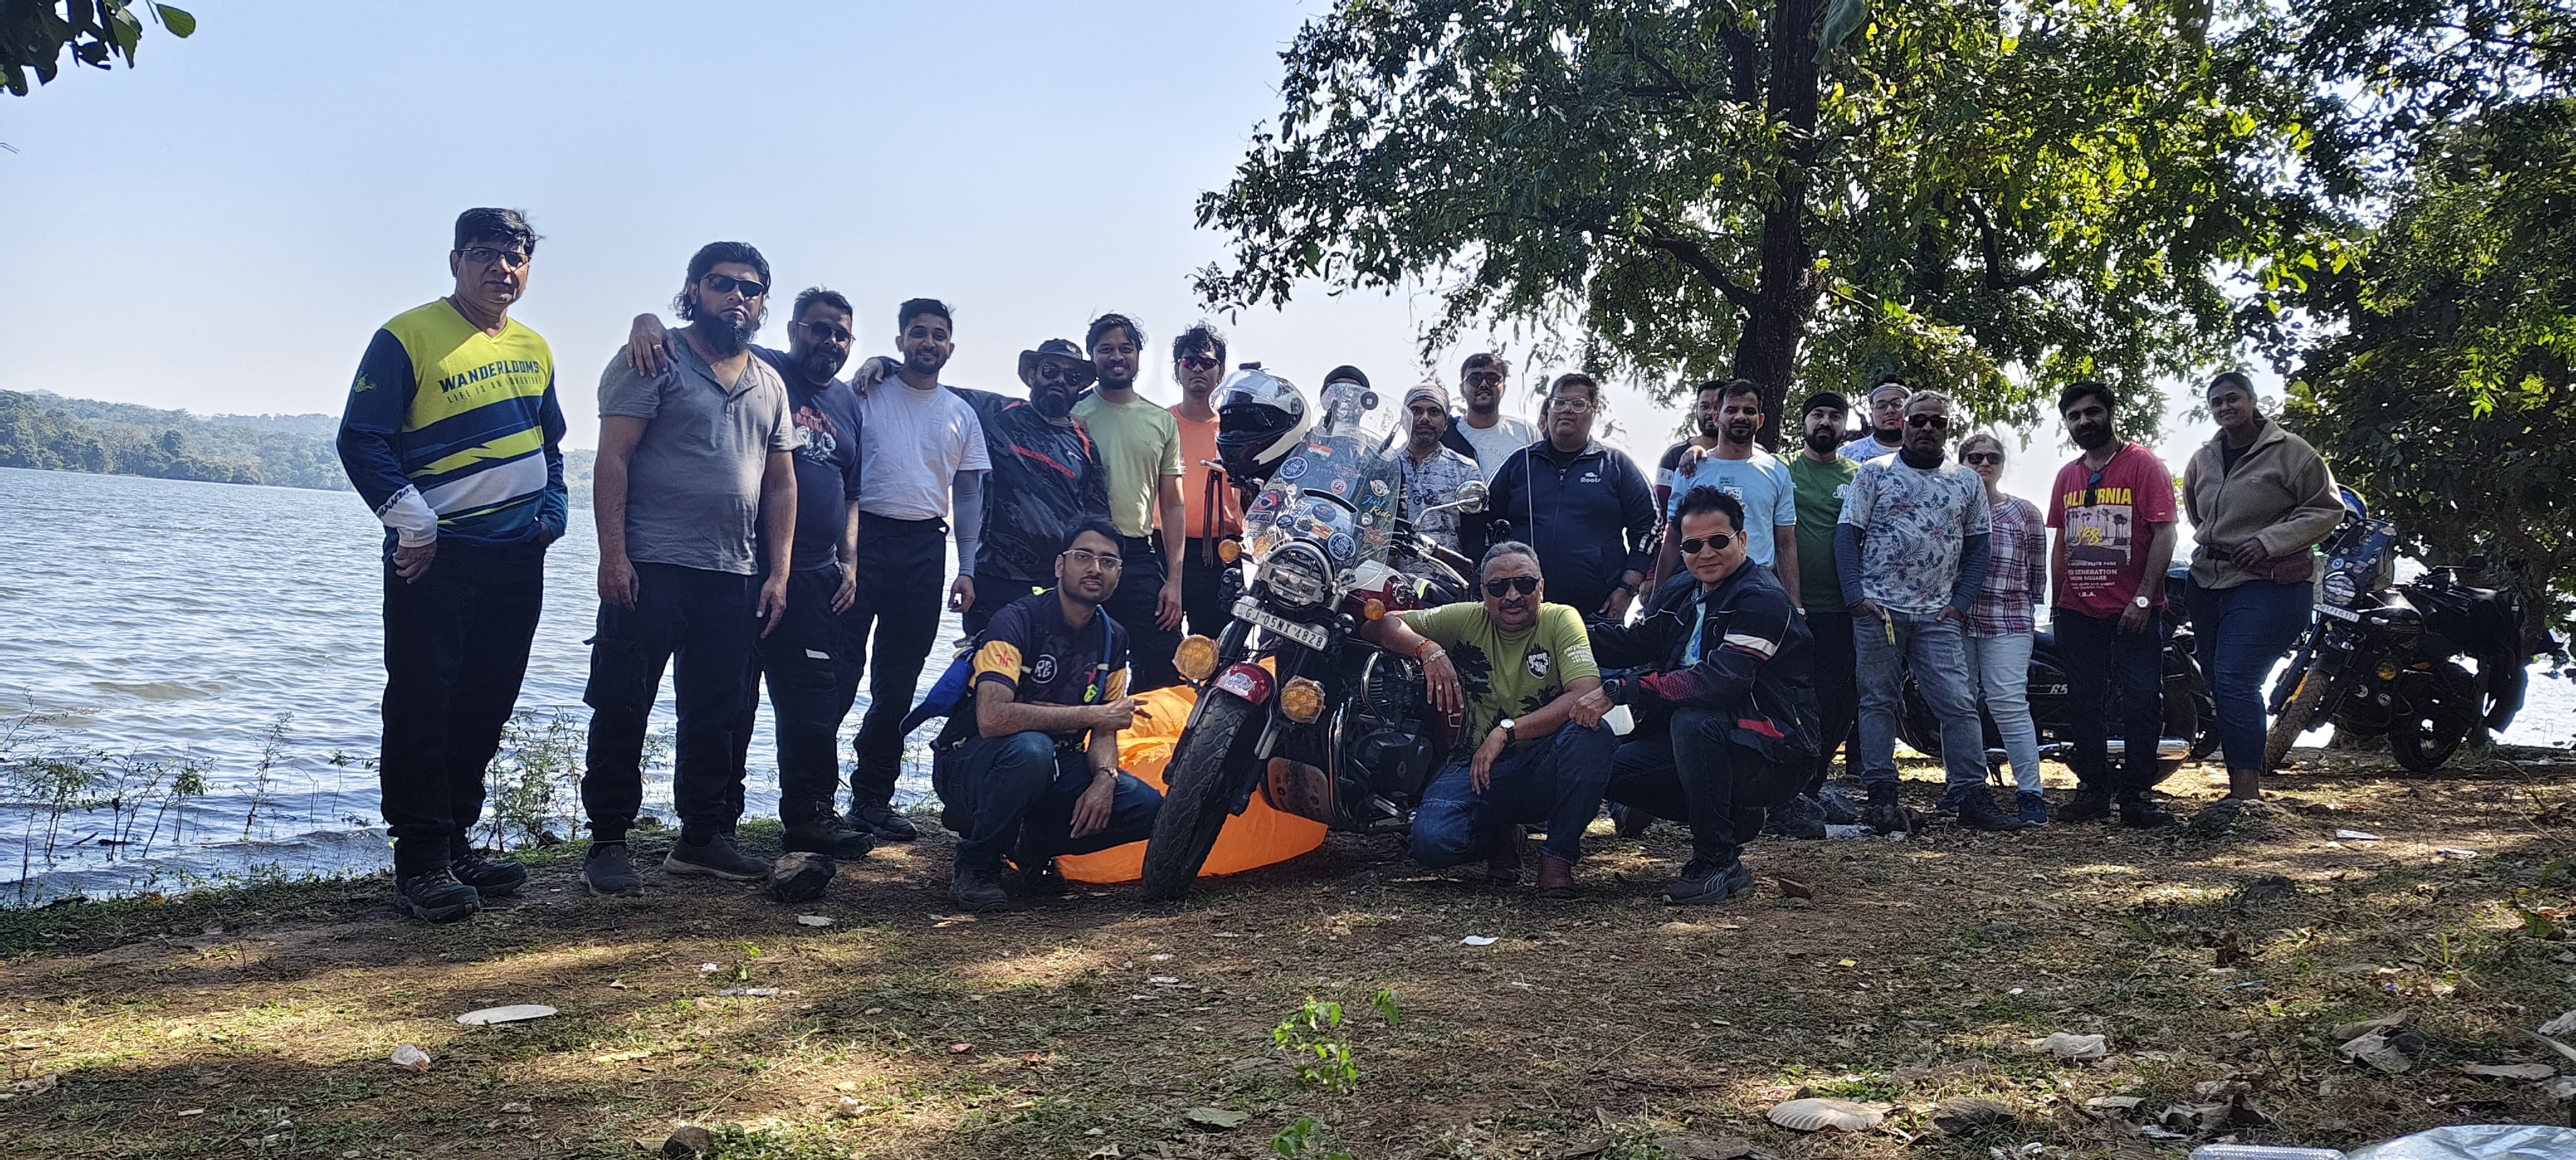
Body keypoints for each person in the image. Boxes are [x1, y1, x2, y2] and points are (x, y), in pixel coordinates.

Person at [337, 208, 565, 922]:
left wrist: (553, 514)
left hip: (516, 556)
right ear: (456, 261)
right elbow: (361, 439)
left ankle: (458, 842)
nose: (502, 267)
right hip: (433, 557)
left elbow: (550, 443)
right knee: (423, 701)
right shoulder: (406, 335)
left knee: (485, 701)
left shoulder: (535, 347)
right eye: (485, 253)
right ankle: (420, 861)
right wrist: (414, 521)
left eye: (515, 256)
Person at [625, 289, 878, 859]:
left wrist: (850, 559)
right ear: (791, 330)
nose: (830, 342)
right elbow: (702, 336)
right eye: (818, 329)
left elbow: (851, 491)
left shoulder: (847, 401)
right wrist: (646, 321)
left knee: (814, 703)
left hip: (814, 577)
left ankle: (811, 816)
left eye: (841, 334)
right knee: (725, 701)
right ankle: (715, 822)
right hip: (741, 569)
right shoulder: (762, 367)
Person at [582, 241, 799, 895]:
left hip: (732, 573)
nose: (737, 296)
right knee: (623, 703)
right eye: (722, 283)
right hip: (649, 565)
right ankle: (608, 841)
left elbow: (782, 485)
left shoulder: (770, 382)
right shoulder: (653, 357)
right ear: (695, 290)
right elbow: (613, 458)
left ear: (762, 303)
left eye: (750, 288)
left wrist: (779, 573)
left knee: (716, 712)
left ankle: (701, 838)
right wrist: (613, 555)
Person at [1583, 489, 1818, 904]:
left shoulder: (1762, 599)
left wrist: (1625, 689)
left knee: (1695, 717)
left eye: (1718, 541)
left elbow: (1720, 682)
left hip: (1776, 752)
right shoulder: (1681, 588)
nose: (1705, 553)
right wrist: (1561, 627)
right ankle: (1737, 818)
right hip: (1706, 740)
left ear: (1742, 541)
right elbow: (1638, 642)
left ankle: (1717, 861)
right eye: (1692, 545)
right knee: (1607, 770)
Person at [1361, 543, 1619, 895]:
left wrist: (1507, 732)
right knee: (1431, 844)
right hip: (1475, 767)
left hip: (1543, 763)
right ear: (1483, 594)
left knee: (1593, 735)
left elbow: (1585, 693)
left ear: (1541, 587)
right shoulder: (1467, 617)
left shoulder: (1561, 618)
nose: (1512, 595)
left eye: (1524, 584)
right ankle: (1501, 837)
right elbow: (1379, 625)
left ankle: (1558, 857)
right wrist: (1428, 649)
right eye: (1498, 587)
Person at [939, 521, 1163, 912]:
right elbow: (992, 718)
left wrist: (1105, 780)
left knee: (1146, 808)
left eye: (1108, 561)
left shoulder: (1114, 638)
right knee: (1032, 750)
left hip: (1055, 767)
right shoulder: (1015, 620)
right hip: (971, 762)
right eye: (1083, 556)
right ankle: (976, 866)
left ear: (1118, 575)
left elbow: (1105, 729)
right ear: (1060, 566)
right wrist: (1090, 714)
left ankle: (1030, 848)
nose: (1095, 568)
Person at [1836, 389, 2024, 833]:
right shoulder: (1874, 472)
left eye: (1936, 422)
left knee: (1958, 704)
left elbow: (1979, 548)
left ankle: (1971, 794)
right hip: (1879, 611)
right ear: (1904, 423)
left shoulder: (1966, 481)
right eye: (1918, 420)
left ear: (1947, 428)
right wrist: (1855, 597)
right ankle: (1881, 796)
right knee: (1878, 701)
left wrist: (1959, 605)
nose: (1926, 428)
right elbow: (1847, 534)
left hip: (1938, 615)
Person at [844, 298, 991, 842]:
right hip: (863, 539)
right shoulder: (867, 391)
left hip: (925, 546)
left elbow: (968, 497)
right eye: (918, 333)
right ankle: (810, 801)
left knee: (898, 681)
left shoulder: (961, 413)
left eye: (938, 335)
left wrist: (967, 568)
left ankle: (871, 799)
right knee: (838, 673)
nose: (928, 343)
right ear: (901, 340)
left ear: (950, 347)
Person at [2184, 371, 2345, 803]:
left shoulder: (2292, 452)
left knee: (2236, 679)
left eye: (2233, 398)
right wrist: (2222, 542)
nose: (2225, 407)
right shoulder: (2203, 458)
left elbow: (2327, 511)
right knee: (2218, 682)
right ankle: (2238, 784)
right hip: (2208, 580)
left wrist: (2267, 542)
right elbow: (2197, 513)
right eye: (2216, 402)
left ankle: (2246, 794)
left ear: (2253, 401)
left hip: (2269, 584)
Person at [2046, 382, 2180, 828]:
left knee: (2141, 700)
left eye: (2092, 412)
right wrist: (2058, 603)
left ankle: (2138, 794)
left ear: (2110, 413)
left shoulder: (2144, 465)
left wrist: (2143, 598)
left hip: (2133, 610)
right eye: (2075, 416)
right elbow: (2063, 542)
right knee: (2084, 702)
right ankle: (2093, 791)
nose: (2084, 421)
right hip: (2077, 612)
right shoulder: (2067, 476)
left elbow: (2165, 533)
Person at [952, 338, 1114, 638]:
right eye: (1051, 370)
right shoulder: (996, 412)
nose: (1060, 380)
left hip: (1057, 586)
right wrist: (886, 366)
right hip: (993, 579)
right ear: (1031, 375)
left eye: (1072, 377)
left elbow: (1099, 522)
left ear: (1079, 387)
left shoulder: (1085, 445)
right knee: (986, 663)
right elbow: (929, 387)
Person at [1072, 313, 1186, 691]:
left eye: (1126, 349)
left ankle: (1147, 730)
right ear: (1092, 357)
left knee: (1169, 666)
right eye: (1106, 349)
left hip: (1136, 555)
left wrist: (1174, 582)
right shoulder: (1073, 414)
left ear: (1138, 356)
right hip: (1079, 553)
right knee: (1076, 664)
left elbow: (1173, 505)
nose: (1117, 357)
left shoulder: (1161, 421)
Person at [1484, 372, 1658, 620]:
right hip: (1520, 608)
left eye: (1578, 404)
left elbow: (1650, 527)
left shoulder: (1616, 465)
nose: (1567, 410)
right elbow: (1483, 520)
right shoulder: (1519, 463)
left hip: (1597, 612)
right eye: (1559, 402)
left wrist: (1627, 589)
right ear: (1549, 410)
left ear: (1594, 412)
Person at [1957, 430, 2050, 826]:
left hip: (2008, 618)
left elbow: (2036, 571)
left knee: (2008, 703)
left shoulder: (2025, 513)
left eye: (1992, 458)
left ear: (2002, 465)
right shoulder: (1949, 508)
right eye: (1975, 458)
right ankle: (1965, 789)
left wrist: (2029, 607)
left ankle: (2030, 792)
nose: (1984, 464)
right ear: (1962, 464)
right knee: (1959, 704)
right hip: (1957, 620)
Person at [1787, 393, 1863, 804]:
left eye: (1835, 416)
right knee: (1789, 697)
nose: (1825, 422)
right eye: (1817, 414)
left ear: (1844, 426)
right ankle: (1783, 782)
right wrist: (1696, 452)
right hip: (1790, 609)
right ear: (1804, 422)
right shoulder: (1781, 469)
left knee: (1837, 701)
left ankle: (1812, 782)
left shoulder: (1859, 476)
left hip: (1842, 609)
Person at [1653, 379, 1799, 595]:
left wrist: (1795, 604)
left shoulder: (1777, 472)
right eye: (1731, 410)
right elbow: (1673, 538)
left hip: (1758, 589)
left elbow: (1785, 542)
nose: (1740, 417)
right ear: (1717, 418)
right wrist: (1656, 600)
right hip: (1699, 588)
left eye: (1749, 411)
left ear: (1760, 420)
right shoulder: (1691, 469)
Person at [1167, 323, 1243, 637]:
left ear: (1220, 371)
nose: (1198, 368)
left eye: (1207, 362)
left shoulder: (1237, 430)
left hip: (1221, 551)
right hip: (1164, 547)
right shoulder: (1160, 423)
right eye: (1189, 361)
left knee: (1216, 647)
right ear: (1178, 370)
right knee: (1159, 645)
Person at [1396, 382, 1480, 554]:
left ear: (1446, 423)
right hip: (1387, 570)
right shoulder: (1385, 464)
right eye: (1416, 411)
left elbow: (1475, 538)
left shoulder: (1466, 469)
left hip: (1446, 569)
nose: (1425, 418)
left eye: (1434, 412)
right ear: (1404, 419)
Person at [1439, 352, 1540, 482]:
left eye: (1493, 379)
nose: (1484, 384)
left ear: (1504, 388)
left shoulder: (1527, 433)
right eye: (1475, 379)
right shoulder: (1445, 433)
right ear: (1462, 389)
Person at [1651, 380, 1726, 516]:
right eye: (1704, 407)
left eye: (1717, 407)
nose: (1711, 413)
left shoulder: (1751, 456)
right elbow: (1661, 506)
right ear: (1696, 410)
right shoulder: (1675, 455)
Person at [1840, 378, 1911, 463]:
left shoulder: (1924, 454)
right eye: (1881, 406)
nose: (1889, 410)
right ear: (1871, 414)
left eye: (1897, 404)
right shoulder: (1846, 456)